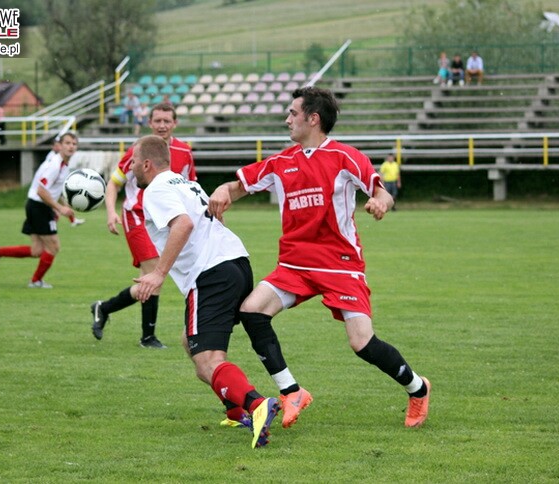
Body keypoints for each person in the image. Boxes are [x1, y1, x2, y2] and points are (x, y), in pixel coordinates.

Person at [208, 86, 431, 429]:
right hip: (294, 265)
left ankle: (418, 388)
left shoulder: (345, 157)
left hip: (339, 265)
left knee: (362, 343)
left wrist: (380, 203)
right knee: (252, 311)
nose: (287, 120)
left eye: (293, 113)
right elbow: (237, 186)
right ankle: (292, 391)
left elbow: (381, 191)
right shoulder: (281, 162)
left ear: (313, 119)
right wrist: (223, 190)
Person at [130, 134, 281, 449]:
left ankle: (256, 405)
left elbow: (183, 224)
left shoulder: (155, 189)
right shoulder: (187, 183)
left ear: (146, 164)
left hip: (210, 273)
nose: (130, 168)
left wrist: (158, 273)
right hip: (237, 263)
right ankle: (235, 409)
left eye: (132, 162)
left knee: (207, 359)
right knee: (191, 342)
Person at [91, 103, 197, 348]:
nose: (162, 125)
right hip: (137, 215)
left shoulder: (184, 151)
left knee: (147, 279)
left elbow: (190, 185)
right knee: (154, 268)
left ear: (175, 124)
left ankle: (103, 308)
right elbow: (114, 183)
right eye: (157, 121)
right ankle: (147, 337)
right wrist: (110, 212)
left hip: (165, 218)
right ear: (149, 123)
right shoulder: (137, 151)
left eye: (166, 121)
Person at [0, 132, 78, 288]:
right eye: (67, 143)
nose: (71, 146)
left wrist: (63, 205)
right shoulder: (55, 165)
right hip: (39, 207)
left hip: (37, 206)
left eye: (74, 144)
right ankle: (35, 281)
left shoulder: (63, 165)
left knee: (37, 250)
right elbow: (41, 191)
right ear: (60, 145)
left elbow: (53, 190)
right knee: (54, 246)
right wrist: (59, 208)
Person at [45, 138, 86, 227]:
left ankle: (72, 220)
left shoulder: (61, 157)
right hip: (51, 189)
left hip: (57, 187)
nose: (58, 147)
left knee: (64, 205)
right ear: (53, 147)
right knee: (57, 208)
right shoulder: (52, 157)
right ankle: (54, 224)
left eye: (74, 144)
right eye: (56, 146)